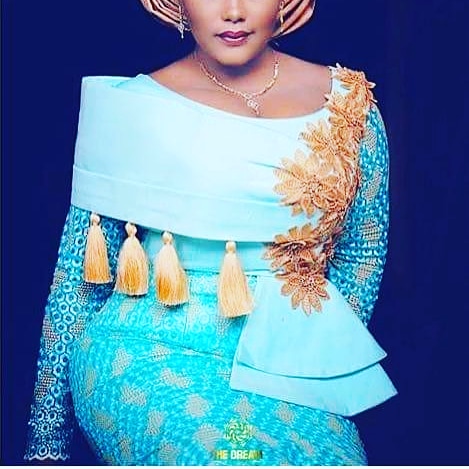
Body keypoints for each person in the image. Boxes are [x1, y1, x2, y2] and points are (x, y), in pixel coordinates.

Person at [24, 0, 397, 465]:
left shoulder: (348, 103)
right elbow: (77, 285)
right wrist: (46, 446)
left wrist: (317, 363)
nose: (233, 11)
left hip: (290, 366)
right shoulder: (132, 106)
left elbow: (361, 253)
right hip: (144, 349)